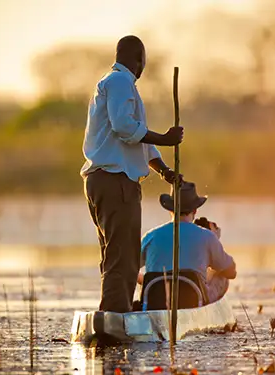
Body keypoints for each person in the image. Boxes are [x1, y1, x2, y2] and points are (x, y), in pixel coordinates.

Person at [80, 35, 184, 313]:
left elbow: (138, 140)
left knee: (116, 253)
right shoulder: (120, 82)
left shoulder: (115, 83)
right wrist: (166, 138)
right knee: (123, 257)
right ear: (140, 60)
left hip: (105, 180)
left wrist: (164, 170)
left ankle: (117, 311)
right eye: (144, 62)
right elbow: (125, 128)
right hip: (115, 182)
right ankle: (115, 316)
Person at [138, 182, 237, 305]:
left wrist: (146, 280)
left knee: (148, 278)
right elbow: (231, 271)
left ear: (170, 210)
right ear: (195, 210)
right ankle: (210, 314)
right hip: (193, 302)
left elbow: (130, 270)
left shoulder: (150, 236)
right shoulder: (207, 236)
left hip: (156, 301)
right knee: (222, 274)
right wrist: (215, 241)